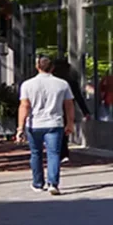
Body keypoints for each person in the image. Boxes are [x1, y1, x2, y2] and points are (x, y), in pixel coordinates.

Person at [17, 56, 78, 195]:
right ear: (52, 68)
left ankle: (38, 183)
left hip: (34, 124)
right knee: (54, 154)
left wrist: (20, 127)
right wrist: (70, 123)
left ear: (37, 67)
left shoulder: (27, 84)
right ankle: (53, 184)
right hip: (54, 123)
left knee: (36, 153)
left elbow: (24, 106)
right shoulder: (62, 84)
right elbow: (69, 105)